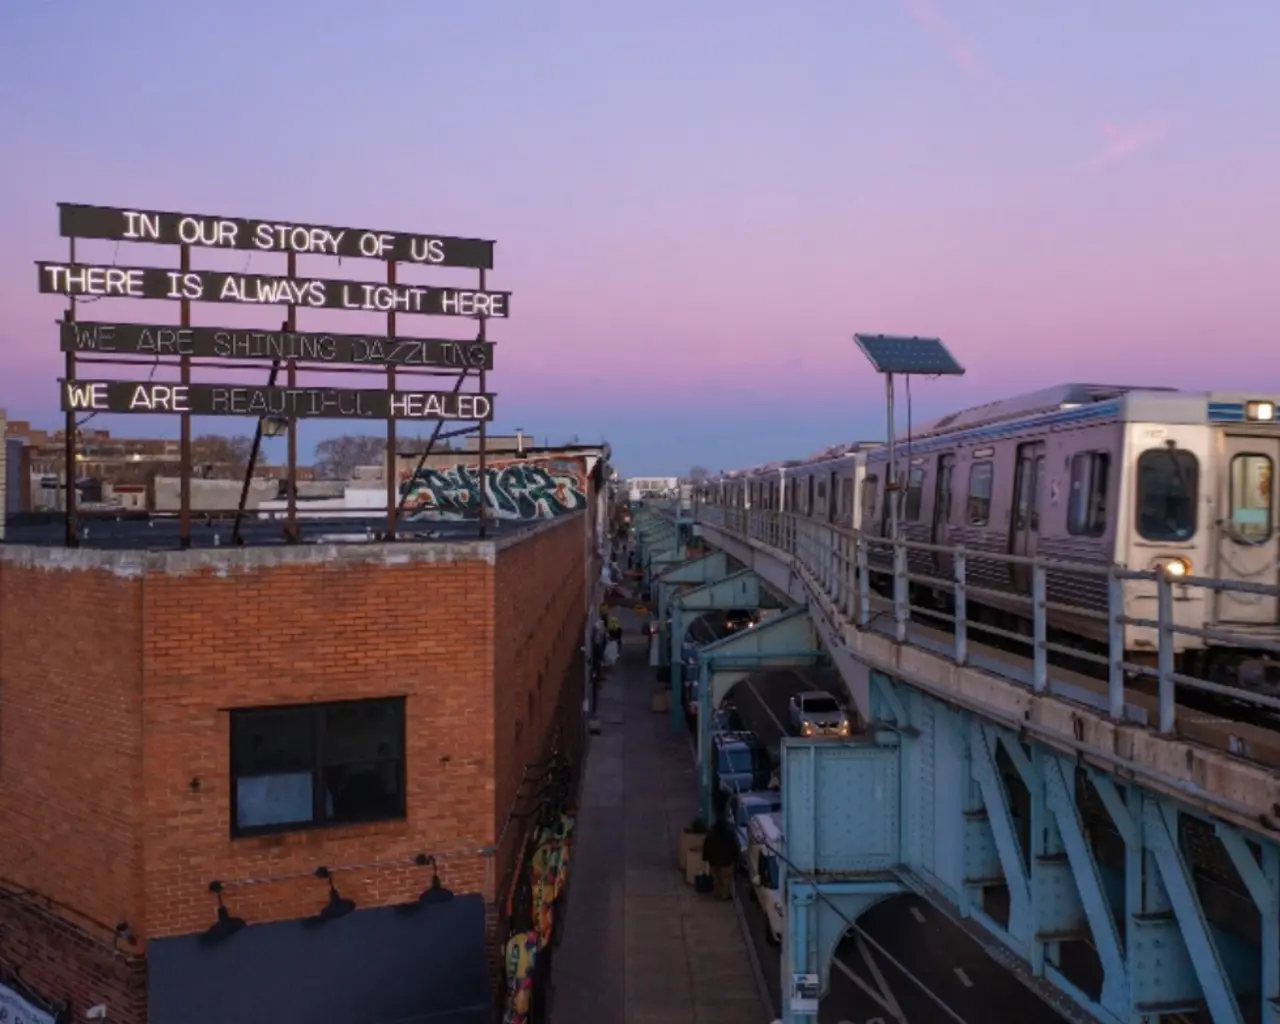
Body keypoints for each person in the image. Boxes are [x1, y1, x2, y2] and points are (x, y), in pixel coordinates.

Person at [701, 818, 737, 901]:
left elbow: (706, 847)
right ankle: (725, 895)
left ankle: (717, 894)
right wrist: (735, 858)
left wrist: (705, 858)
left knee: (717, 879)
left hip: (713, 861)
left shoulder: (710, 835)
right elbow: (733, 847)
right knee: (727, 879)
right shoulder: (729, 835)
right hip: (726, 861)